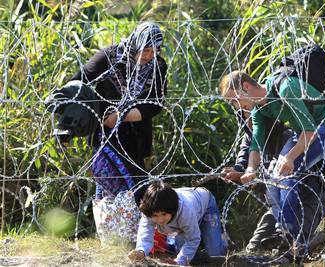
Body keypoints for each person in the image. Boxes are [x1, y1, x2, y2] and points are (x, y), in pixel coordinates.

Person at [219, 70, 325, 260]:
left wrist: (291, 157)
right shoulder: (259, 109)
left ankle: (288, 236)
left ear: (245, 87)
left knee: (286, 174)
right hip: (303, 133)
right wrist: (250, 168)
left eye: (234, 100)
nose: (235, 106)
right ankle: (290, 239)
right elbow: (256, 143)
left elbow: (309, 132)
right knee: (274, 178)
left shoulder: (285, 89)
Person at [70, 22, 168, 202]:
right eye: (146, 50)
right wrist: (99, 115)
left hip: (136, 137)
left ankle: (135, 228)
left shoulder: (158, 66)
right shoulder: (109, 57)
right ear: (136, 43)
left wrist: (121, 116)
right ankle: (109, 227)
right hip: (104, 133)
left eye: (155, 51)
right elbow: (77, 84)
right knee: (107, 185)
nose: (150, 56)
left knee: (138, 190)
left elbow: (156, 103)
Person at [128, 181, 227, 265]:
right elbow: (145, 233)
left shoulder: (185, 211)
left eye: (163, 214)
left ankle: (223, 240)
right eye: (155, 215)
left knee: (215, 253)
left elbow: (193, 238)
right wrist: (141, 251)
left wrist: (178, 261)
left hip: (205, 204)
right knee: (186, 256)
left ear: (173, 209)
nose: (160, 220)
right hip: (182, 223)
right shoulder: (150, 208)